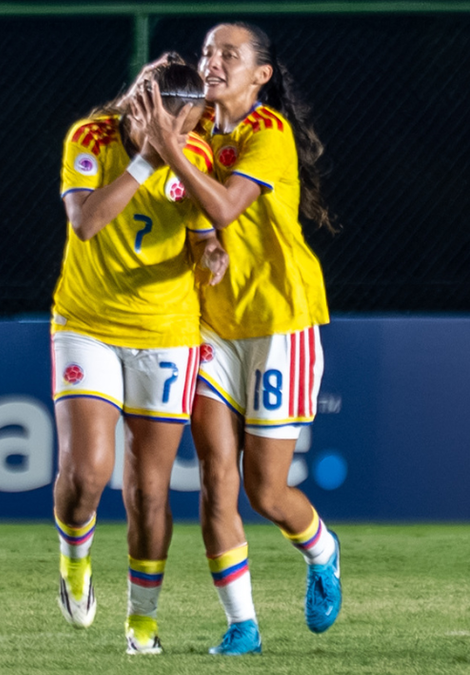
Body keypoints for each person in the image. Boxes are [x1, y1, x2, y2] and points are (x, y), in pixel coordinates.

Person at [134, 22, 341, 656]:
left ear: (261, 75)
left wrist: (170, 151)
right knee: (215, 480)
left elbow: (225, 207)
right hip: (213, 329)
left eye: (230, 54)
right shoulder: (193, 135)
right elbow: (199, 220)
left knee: (266, 491)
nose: (213, 62)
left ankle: (323, 551)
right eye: (207, 52)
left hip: (280, 324)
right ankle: (242, 625)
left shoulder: (266, 132)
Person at [51, 58, 227, 656]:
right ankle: (75, 559)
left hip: (167, 333)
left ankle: (142, 622)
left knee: (150, 491)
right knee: (86, 474)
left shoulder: (194, 155)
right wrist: (146, 161)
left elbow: (202, 232)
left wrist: (211, 251)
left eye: (193, 126)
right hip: (88, 325)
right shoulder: (90, 138)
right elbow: (86, 223)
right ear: (144, 109)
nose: (189, 136)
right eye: (182, 124)